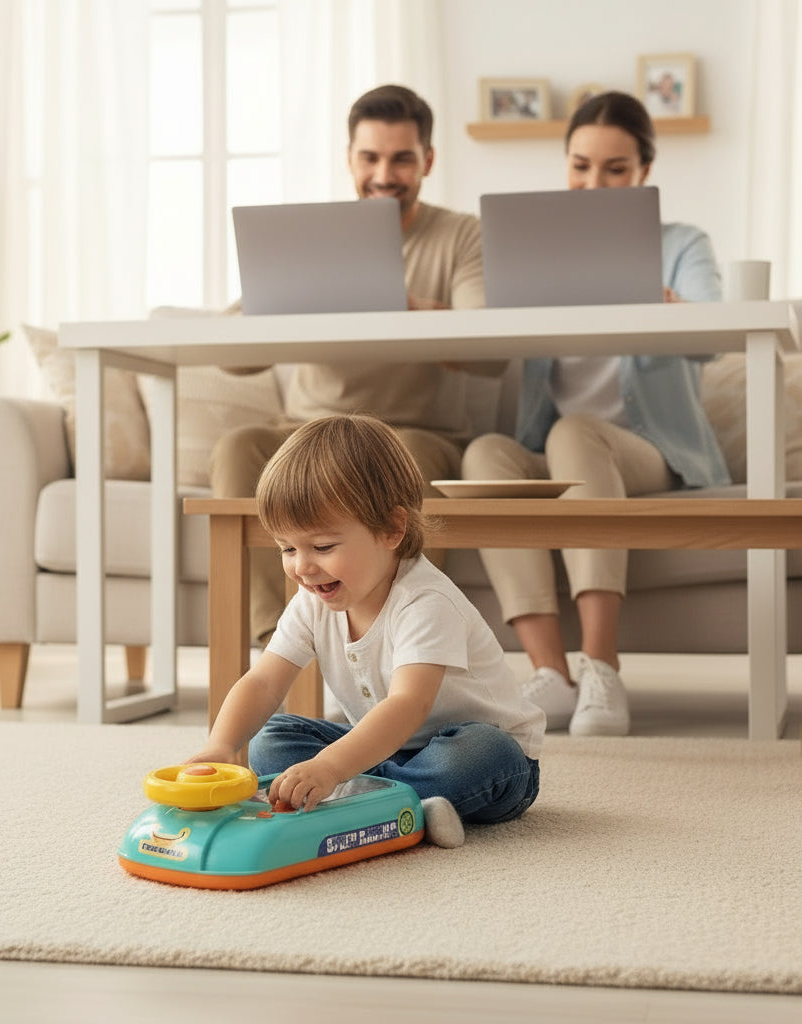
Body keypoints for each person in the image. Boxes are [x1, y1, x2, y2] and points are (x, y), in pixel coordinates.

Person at [460, 90, 729, 738]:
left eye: (615, 169)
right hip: (554, 449)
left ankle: (602, 666)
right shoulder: (537, 252)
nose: (594, 183)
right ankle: (551, 674)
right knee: (484, 456)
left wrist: (659, 303)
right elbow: (492, 352)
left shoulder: (681, 244)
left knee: (575, 433)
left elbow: (713, 335)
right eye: (581, 166)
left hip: (647, 452)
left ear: (644, 172)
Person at [211, 83, 501, 647]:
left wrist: (392, 300)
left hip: (413, 432)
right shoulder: (315, 237)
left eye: (401, 158)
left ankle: (397, 642)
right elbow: (230, 358)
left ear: (428, 161)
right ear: (350, 159)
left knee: (408, 460)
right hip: (307, 431)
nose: (384, 173)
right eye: (370, 157)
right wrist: (296, 294)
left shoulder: (461, 234)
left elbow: (487, 350)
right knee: (237, 448)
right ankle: (278, 642)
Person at [188, 414, 545, 849]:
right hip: (381, 752)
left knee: (482, 753)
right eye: (286, 548)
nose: (302, 567)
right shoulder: (313, 602)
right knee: (273, 740)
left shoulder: (426, 601)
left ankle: (367, 795)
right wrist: (222, 747)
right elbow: (264, 681)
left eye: (322, 547)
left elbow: (408, 704)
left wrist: (331, 769)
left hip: (482, 757)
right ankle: (403, 803)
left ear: (392, 530)